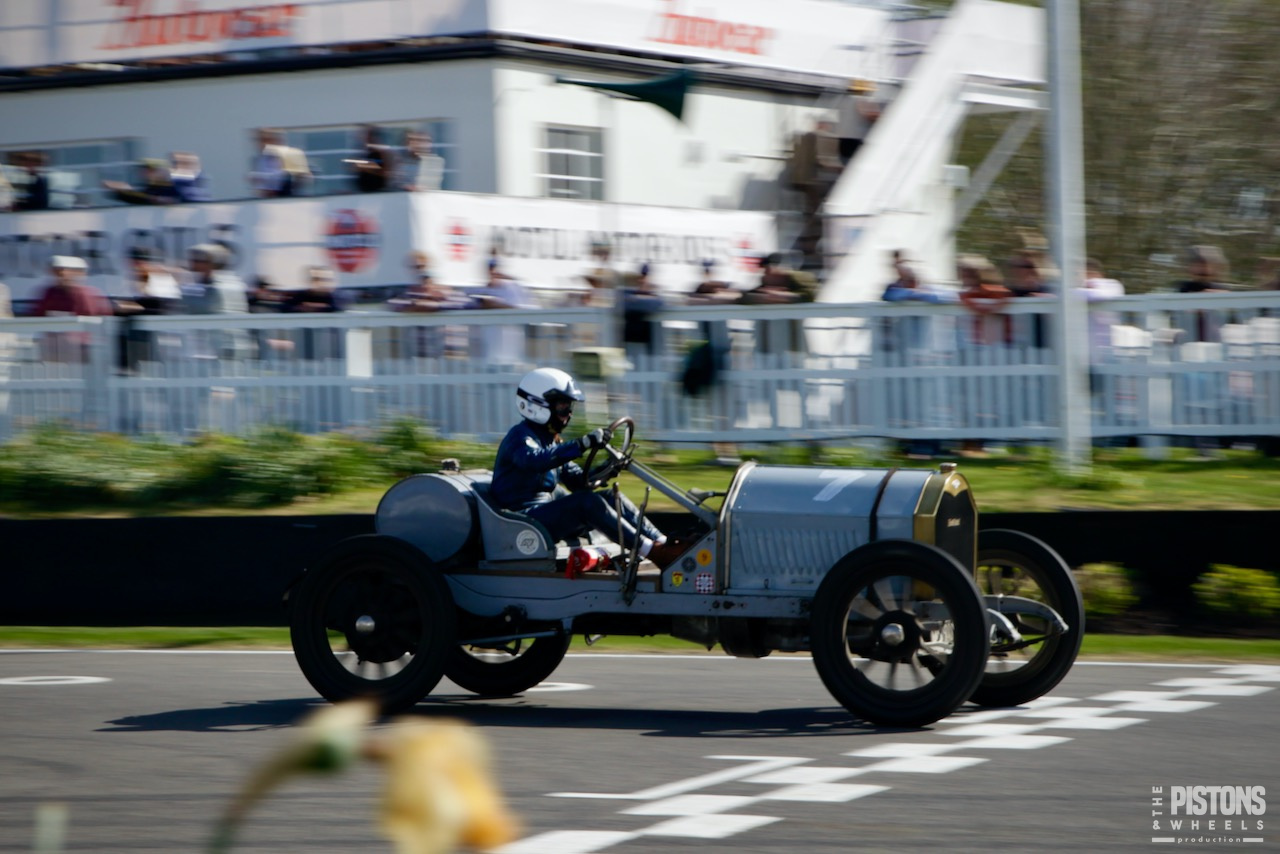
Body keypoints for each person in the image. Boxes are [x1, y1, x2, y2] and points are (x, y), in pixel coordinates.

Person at [490, 367, 685, 568]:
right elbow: (535, 461)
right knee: (585, 503)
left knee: (611, 497)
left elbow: (577, 481)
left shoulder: (550, 441)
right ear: (537, 404)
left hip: (541, 516)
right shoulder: (519, 437)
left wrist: (606, 469)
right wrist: (582, 444)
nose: (568, 413)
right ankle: (652, 552)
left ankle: (662, 542)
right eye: (563, 406)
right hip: (520, 520)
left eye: (569, 406)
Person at [32, 256, 113, 362]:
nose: (61, 274)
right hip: (53, 348)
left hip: (82, 349)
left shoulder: (87, 294)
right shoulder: (50, 293)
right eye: (57, 271)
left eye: (62, 270)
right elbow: (40, 315)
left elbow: (98, 319)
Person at [621, 262, 664, 358]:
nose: (644, 280)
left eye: (646, 277)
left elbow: (657, 304)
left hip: (650, 345)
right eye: (642, 277)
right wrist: (639, 299)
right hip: (629, 341)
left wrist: (638, 299)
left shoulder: (656, 296)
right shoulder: (626, 293)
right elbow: (626, 304)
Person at [102, 158, 180, 205]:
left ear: (162, 171)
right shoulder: (151, 187)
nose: (144, 173)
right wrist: (120, 192)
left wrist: (125, 190)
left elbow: (148, 198)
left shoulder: (171, 187)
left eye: (151, 170)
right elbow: (140, 198)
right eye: (144, 170)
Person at [350, 124, 396, 193]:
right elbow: (353, 168)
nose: (365, 138)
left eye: (368, 135)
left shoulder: (383, 153)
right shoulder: (363, 153)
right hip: (363, 192)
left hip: (378, 192)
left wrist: (365, 167)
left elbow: (386, 172)